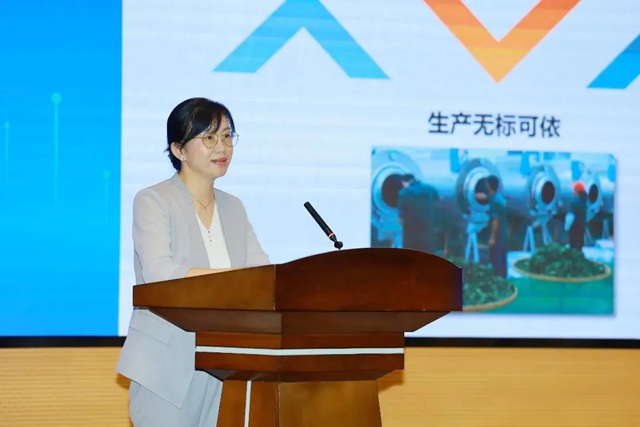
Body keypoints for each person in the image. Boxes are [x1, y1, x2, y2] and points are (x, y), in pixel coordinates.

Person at [116, 98, 269, 426]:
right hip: (166, 365)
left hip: (228, 361)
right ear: (179, 149)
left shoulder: (234, 207)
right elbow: (160, 274)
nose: (222, 147)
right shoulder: (153, 200)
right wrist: (233, 280)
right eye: (209, 137)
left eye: (227, 136)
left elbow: (263, 276)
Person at [397, 174, 440, 254]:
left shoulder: (404, 193)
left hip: (410, 228)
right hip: (427, 226)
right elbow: (437, 203)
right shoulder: (430, 189)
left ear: (405, 182)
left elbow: (401, 213)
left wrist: (401, 219)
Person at [483, 175, 508, 278]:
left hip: (498, 235)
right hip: (503, 232)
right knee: (502, 257)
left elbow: (495, 220)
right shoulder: (498, 197)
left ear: (489, 185)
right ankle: (503, 279)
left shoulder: (495, 201)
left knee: (496, 258)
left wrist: (492, 238)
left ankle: (498, 279)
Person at [565, 181, 587, 251]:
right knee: (579, 248)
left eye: (574, 190)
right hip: (581, 230)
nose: (573, 192)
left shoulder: (574, 203)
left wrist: (567, 227)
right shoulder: (584, 202)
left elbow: (570, 217)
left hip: (574, 230)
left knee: (573, 248)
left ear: (577, 191)